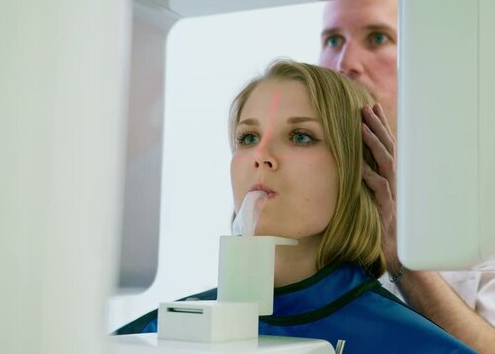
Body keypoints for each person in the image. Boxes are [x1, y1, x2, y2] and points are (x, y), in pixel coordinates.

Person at [115, 59, 476, 353]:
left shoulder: (411, 345)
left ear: (358, 169)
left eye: (300, 136)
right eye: (248, 137)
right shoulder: (156, 334)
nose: (261, 156)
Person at [318, 0, 495, 353]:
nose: (346, 63)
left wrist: (405, 263)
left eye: (378, 38)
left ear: (431, 54)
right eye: (333, 40)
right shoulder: (305, 196)